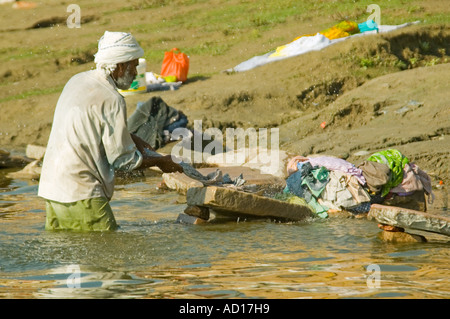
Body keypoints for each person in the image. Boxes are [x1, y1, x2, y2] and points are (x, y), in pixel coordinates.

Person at [38, 31, 183, 231]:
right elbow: (123, 160)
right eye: (133, 65)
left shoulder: (77, 80)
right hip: (83, 193)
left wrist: (135, 140)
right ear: (120, 66)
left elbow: (94, 127)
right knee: (106, 255)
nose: (135, 72)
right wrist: (161, 161)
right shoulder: (112, 98)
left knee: (67, 257)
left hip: (52, 190)